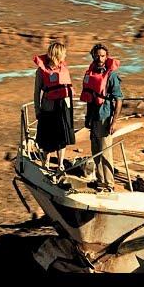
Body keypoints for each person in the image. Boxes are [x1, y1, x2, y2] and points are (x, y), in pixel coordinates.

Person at [80, 43, 123, 192]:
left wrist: (114, 121)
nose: (100, 58)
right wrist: (88, 117)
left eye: (103, 55)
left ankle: (109, 184)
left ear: (107, 57)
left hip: (105, 117)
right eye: (97, 55)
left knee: (105, 151)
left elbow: (119, 99)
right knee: (95, 150)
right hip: (93, 117)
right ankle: (100, 181)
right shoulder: (91, 73)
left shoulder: (112, 75)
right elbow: (89, 97)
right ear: (93, 55)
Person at [33, 41, 76, 171]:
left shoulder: (64, 69)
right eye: (64, 53)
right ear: (57, 54)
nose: (65, 55)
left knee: (61, 138)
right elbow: (36, 92)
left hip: (62, 109)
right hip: (48, 108)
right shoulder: (41, 71)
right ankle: (45, 163)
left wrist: (68, 110)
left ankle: (60, 164)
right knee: (47, 138)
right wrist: (37, 109)